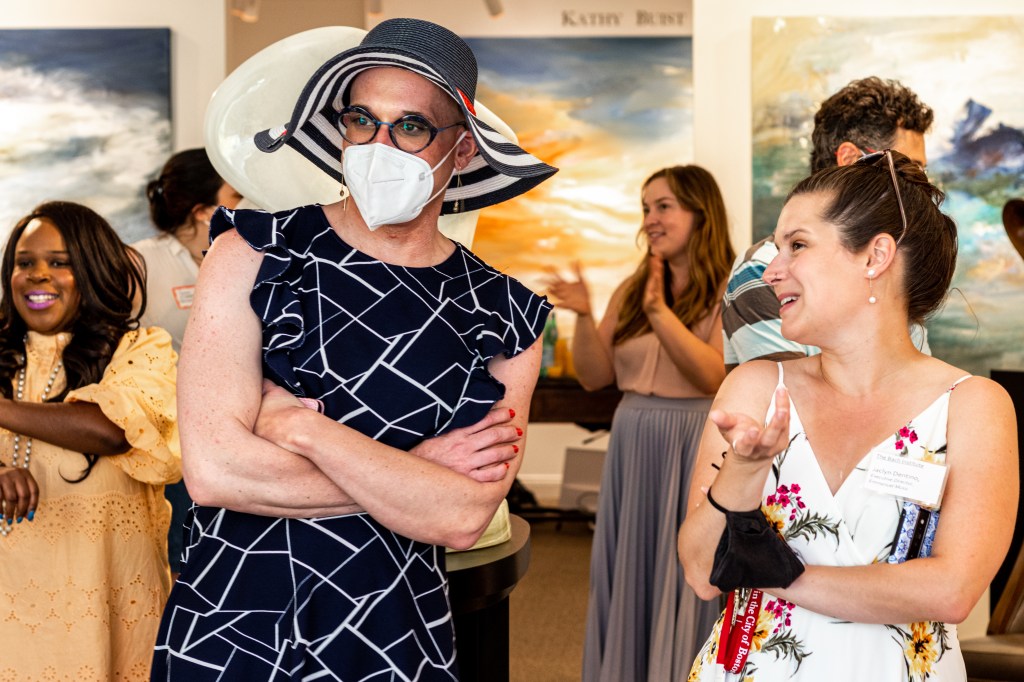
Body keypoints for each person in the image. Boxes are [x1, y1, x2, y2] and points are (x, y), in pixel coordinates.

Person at [151, 18, 557, 680]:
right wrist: (414, 472)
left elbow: (461, 514)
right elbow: (215, 472)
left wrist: (304, 431)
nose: (378, 144)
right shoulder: (253, 253)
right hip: (234, 624)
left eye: (411, 126)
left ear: (461, 150)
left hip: (393, 633)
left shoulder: (504, 314)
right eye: (362, 120)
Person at [679, 150, 1018, 680]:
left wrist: (782, 575)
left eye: (797, 245)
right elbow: (702, 572)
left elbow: (952, 590)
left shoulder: (971, 405)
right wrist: (742, 472)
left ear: (875, 256)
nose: (772, 271)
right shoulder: (757, 387)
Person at [547, 165, 736, 681]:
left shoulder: (730, 287)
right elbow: (594, 377)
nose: (650, 219)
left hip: (693, 443)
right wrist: (583, 316)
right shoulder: (633, 289)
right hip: (633, 440)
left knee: (686, 568)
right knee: (632, 563)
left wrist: (659, 311)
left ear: (701, 213)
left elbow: (711, 375)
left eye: (664, 206)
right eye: (646, 208)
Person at [0, 201, 180, 680]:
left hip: (107, 613)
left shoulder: (142, 349)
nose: (38, 274)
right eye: (24, 262)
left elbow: (111, 429)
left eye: (59, 262)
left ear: (94, 270)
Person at [724, 76, 934, 370]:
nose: (921, 185)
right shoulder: (761, 269)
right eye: (908, 168)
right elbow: (786, 393)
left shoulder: (889, 266)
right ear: (849, 158)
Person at [134, 148, 242, 580]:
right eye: (235, 195)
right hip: (168, 437)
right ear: (203, 211)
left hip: (235, 430)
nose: (247, 205)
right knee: (179, 557)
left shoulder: (245, 256)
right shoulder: (140, 262)